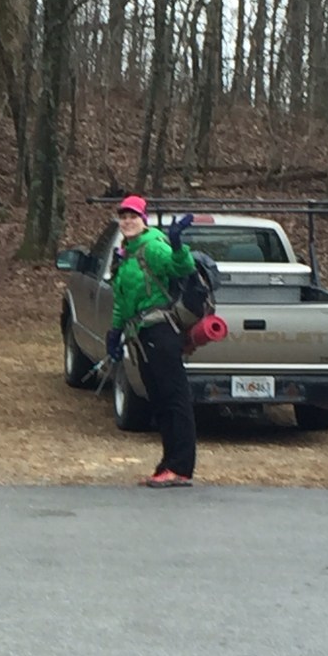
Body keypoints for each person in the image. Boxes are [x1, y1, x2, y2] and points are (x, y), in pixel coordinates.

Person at [106, 194, 197, 487]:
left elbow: (182, 268)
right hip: (141, 333)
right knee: (159, 401)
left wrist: (178, 244)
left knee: (174, 398)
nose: (127, 221)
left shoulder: (153, 246)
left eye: (133, 216)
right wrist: (115, 331)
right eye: (123, 217)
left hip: (161, 331)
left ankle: (181, 466)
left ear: (143, 220)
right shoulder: (125, 254)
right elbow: (122, 299)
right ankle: (168, 463)